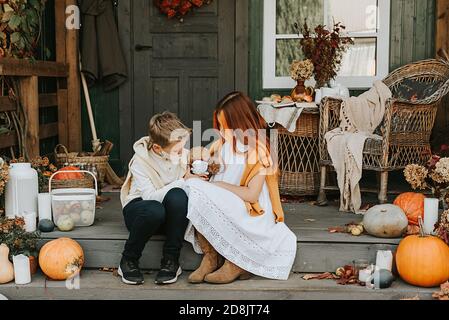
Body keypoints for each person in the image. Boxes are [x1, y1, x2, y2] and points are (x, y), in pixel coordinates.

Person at [185, 92, 297, 284]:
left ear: (241, 124)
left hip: (249, 210)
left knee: (199, 190)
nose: (221, 131)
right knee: (192, 187)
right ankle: (211, 257)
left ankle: (235, 262)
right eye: (219, 125)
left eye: (226, 126)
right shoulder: (221, 145)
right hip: (226, 203)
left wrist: (219, 186)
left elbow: (252, 195)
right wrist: (193, 172)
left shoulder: (259, 150)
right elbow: (204, 164)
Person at [119, 112, 201, 285]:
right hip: (141, 213)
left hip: (170, 217)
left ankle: (171, 261)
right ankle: (129, 259)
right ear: (157, 148)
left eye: (183, 147)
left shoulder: (182, 155)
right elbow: (150, 197)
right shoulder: (140, 161)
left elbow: (185, 190)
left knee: (178, 196)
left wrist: (197, 177)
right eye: (177, 151)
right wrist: (183, 180)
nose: (182, 153)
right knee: (154, 209)